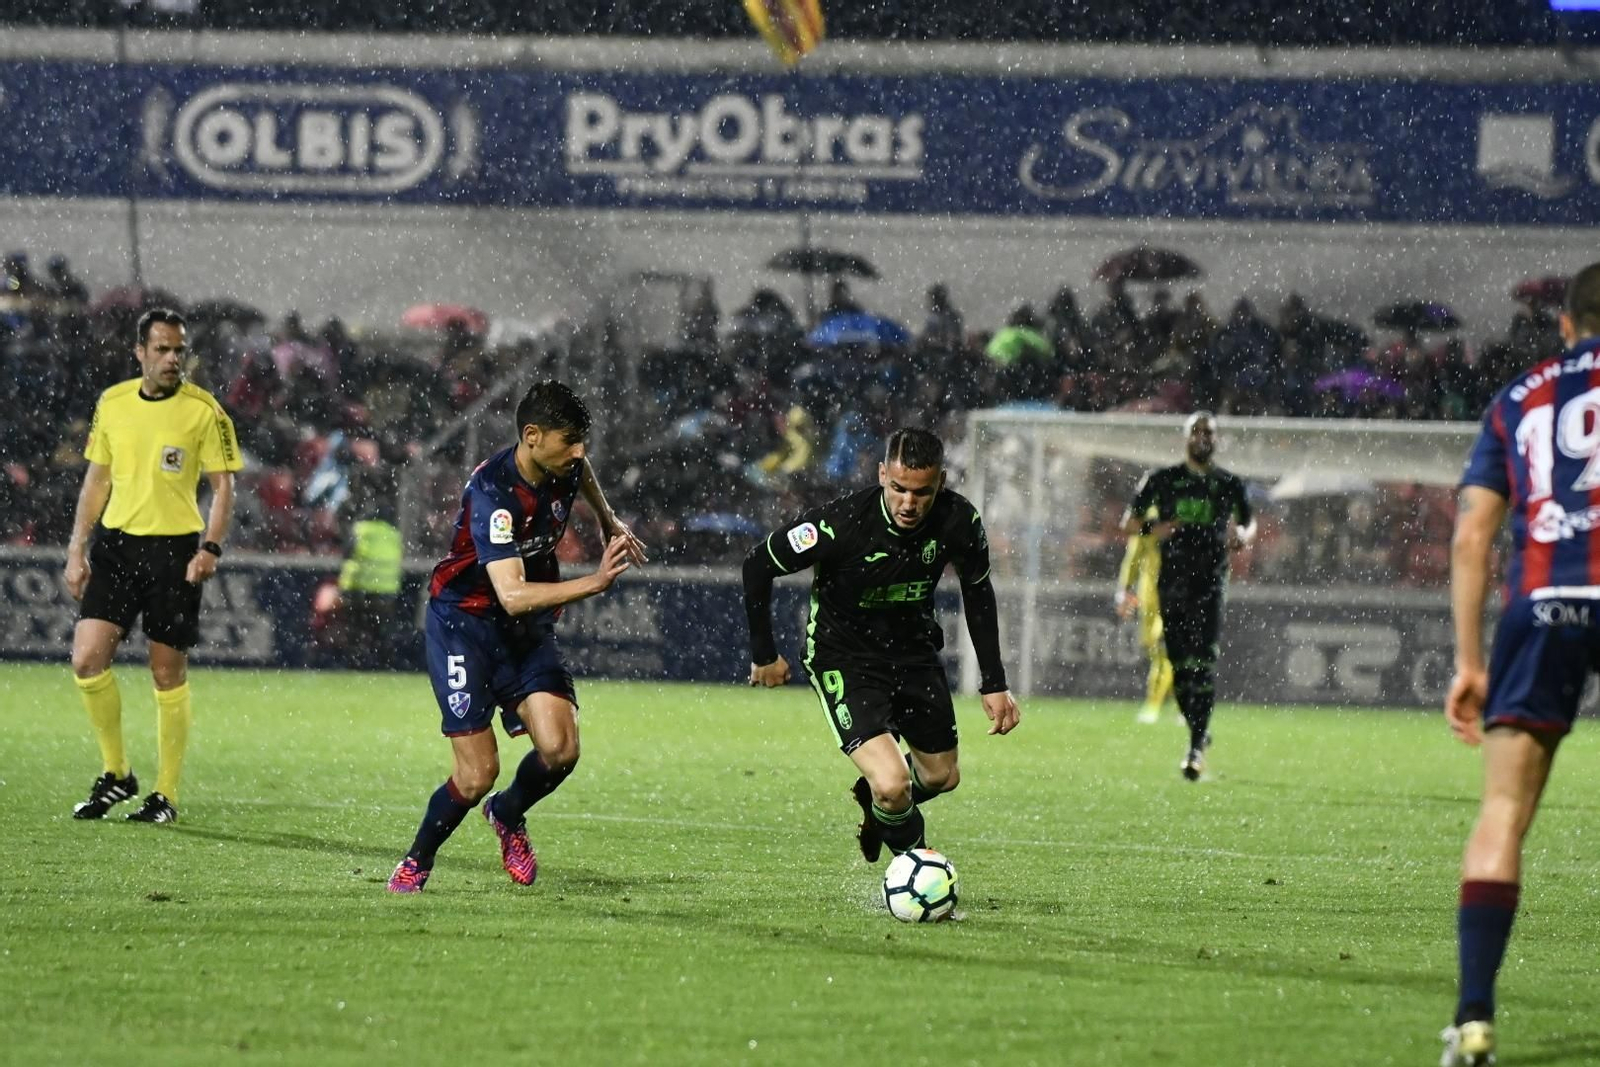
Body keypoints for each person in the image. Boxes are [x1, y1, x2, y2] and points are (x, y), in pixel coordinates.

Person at [387, 381, 647, 893]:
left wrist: (606, 517)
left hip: (525, 629)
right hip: (465, 626)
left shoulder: (565, 465)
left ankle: (507, 814)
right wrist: (594, 582)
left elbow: (585, 473)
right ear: (531, 436)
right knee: (476, 774)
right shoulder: (495, 496)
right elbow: (510, 594)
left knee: (561, 749)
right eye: (569, 439)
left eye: (582, 440)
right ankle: (417, 860)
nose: (580, 452)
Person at [1439, 261, 1600, 1067]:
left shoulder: (1523, 395)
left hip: (1546, 605)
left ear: (1566, 325)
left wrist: (1470, 660)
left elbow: (1472, 538)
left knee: (1504, 811)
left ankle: (1474, 1020)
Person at [742, 428, 1020, 868]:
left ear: (941, 482)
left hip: (913, 654)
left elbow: (978, 592)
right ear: (881, 475)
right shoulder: (840, 523)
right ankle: (919, 869)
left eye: (922, 492)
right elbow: (758, 564)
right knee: (895, 786)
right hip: (844, 657)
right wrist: (763, 654)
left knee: (943, 776)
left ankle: (877, 806)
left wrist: (994, 682)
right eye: (899, 489)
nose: (909, 503)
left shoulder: (958, 520)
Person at [65, 307, 242, 824]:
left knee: (166, 673)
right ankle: (117, 774)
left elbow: (223, 486)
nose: (171, 359)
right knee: (87, 660)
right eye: (161, 349)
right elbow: (97, 480)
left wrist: (209, 548)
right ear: (139, 352)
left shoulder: (204, 411)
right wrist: (77, 548)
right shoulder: (114, 403)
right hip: (117, 548)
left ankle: (165, 793)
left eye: (178, 350)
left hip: (174, 552)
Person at [1120, 412, 1254, 781]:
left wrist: (1243, 534)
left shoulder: (1227, 483)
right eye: (1196, 432)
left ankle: (1195, 746)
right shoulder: (1163, 480)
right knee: (1180, 665)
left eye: (1208, 433)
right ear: (1186, 438)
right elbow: (1128, 522)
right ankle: (1198, 730)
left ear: (1217, 439)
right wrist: (1153, 527)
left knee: (1204, 663)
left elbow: (1248, 519)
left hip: (1210, 582)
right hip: (1172, 582)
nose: (1202, 438)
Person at [1113, 529, 1175, 724]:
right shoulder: (1148, 516)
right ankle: (1179, 702)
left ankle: (1153, 704)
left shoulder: (1184, 513)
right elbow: (1133, 556)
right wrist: (1124, 589)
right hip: (1149, 597)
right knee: (1156, 650)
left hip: (1176, 594)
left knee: (1164, 647)